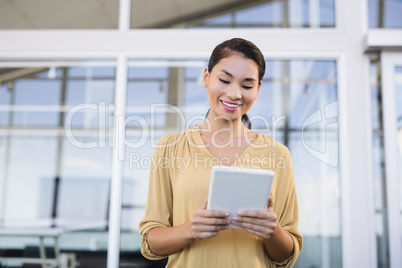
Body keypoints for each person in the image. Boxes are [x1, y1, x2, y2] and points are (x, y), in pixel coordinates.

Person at [139, 38, 302, 268]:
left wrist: (272, 231)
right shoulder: (171, 147)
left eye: (247, 85)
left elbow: (286, 254)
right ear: (206, 76)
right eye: (224, 80)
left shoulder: (277, 155)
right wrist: (191, 229)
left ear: (258, 89)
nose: (235, 94)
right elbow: (151, 243)